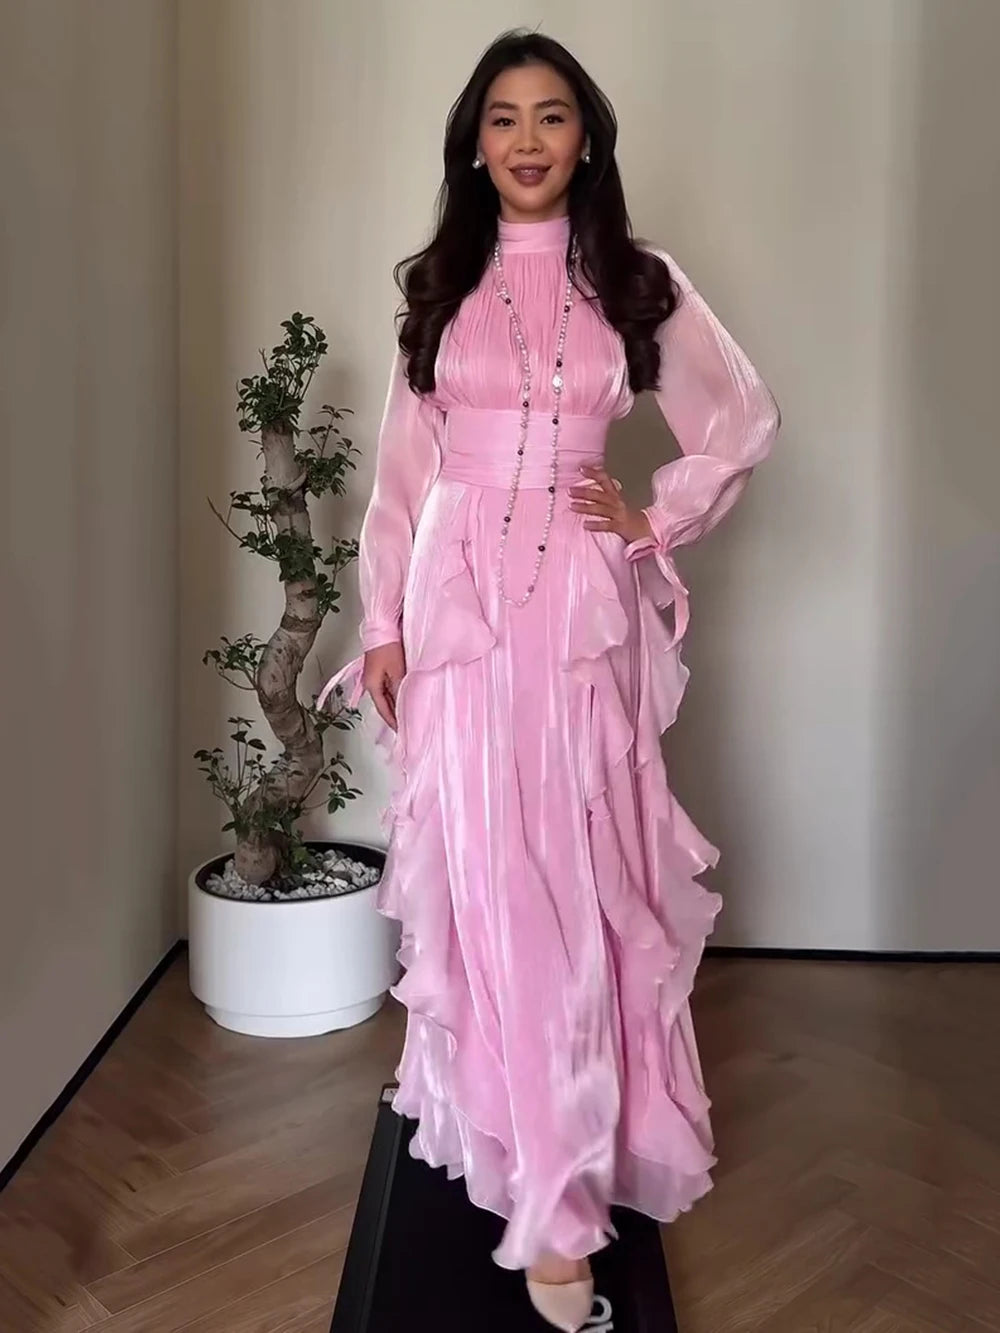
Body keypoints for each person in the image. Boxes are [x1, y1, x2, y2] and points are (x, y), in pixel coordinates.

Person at [319, 29, 780, 1333]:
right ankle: (515, 1155)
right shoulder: (443, 286)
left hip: (578, 621)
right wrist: (383, 624)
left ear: (588, 139)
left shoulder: (636, 280)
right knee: (483, 882)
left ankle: (566, 1200)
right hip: (457, 617)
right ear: (475, 140)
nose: (528, 139)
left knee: (571, 887)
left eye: (555, 117)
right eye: (505, 118)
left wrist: (656, 513)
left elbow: (742, 416)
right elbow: (403, 479)